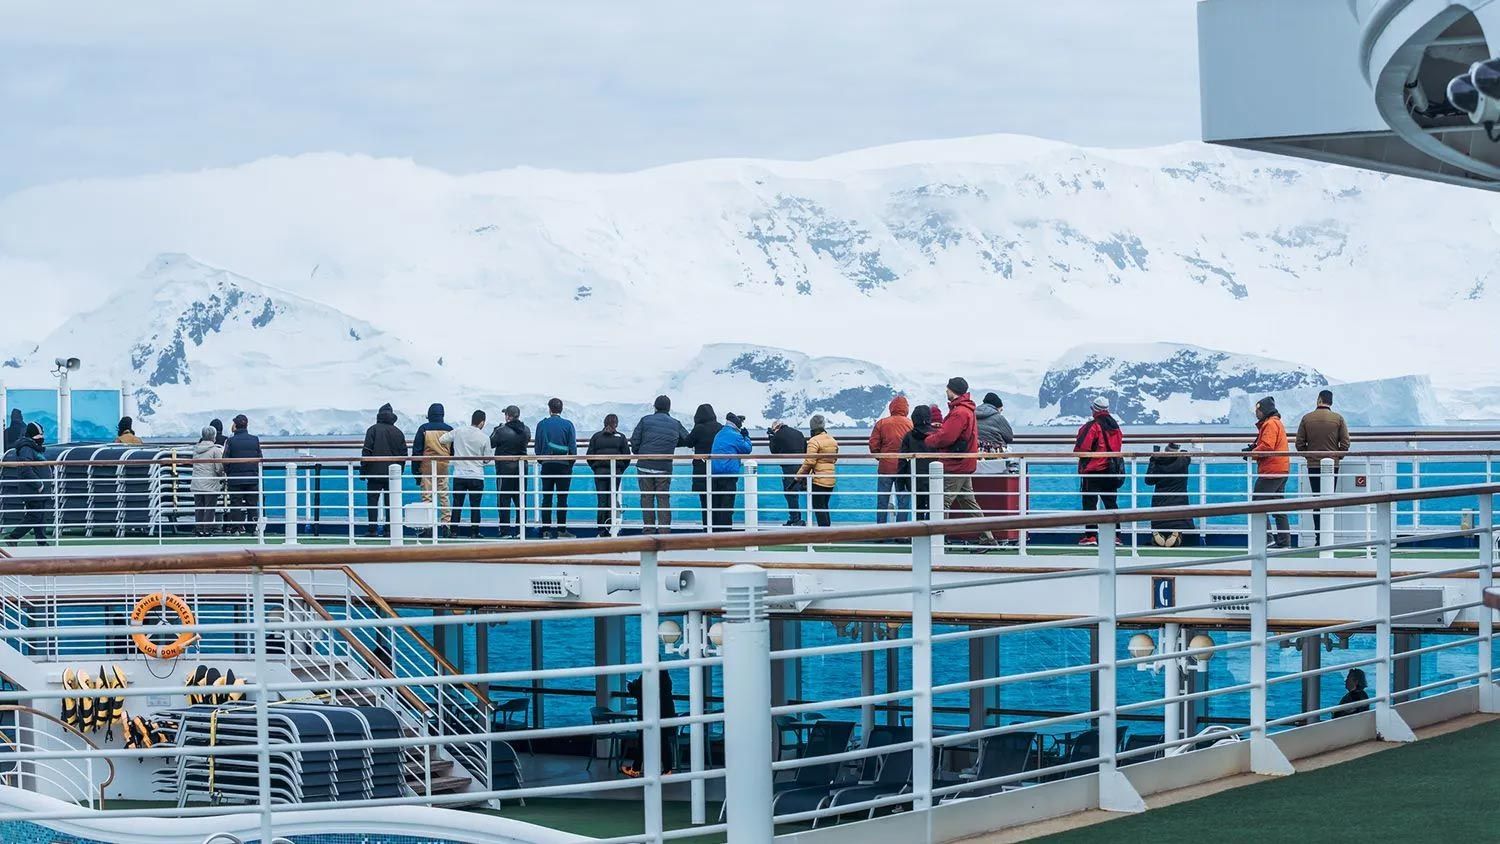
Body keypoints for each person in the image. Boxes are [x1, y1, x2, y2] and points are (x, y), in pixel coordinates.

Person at [923, 377, 1000, 549]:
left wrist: (929, 440)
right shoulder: (967, 410)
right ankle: (987, 537)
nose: (946, 391)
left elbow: (947, 436)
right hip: (964, 462)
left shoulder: (959, 412)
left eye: (948, 388)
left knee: (941, 501)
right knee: (968, 501)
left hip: (955, 463)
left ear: (953, 390)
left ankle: (937, 540)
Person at [1296, 389, 1351, 545]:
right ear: (1330, 402)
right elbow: (1345, 442)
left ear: (1319, 400)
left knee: (1317, 501)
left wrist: (1309, 455)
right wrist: (1338, 456)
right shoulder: (1338, 419)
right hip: (1332, 465)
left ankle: (1319, 538)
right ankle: (1328, 537)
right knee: (1328, 500)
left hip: (1313, 465)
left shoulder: (1307, 418)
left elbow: (1299, 444)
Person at [630, 396, 690, 535]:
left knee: (646, 499)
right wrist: (672, 443)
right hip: (664, 467)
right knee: (663, 499)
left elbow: (635, 440)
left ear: (655, 407)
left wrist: (640, 453)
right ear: (669, 408)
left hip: (645, 464)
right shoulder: (676, 423)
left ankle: (649, 531)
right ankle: (664, 532)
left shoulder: (645, 420)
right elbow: (687, 439)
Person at [1074, 397, 1124, 546]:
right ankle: (1115, 536)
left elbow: (1082, 448)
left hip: (1093, 470)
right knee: (1111, 504)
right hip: (1112, 470)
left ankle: (1091, 536)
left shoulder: (1092, 426)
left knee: (1090, 504)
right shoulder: (1115, 427)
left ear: (1093, 409)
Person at [440, 410, 493, 538]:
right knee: (475, 506)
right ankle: (474, 532)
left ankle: (453, 532)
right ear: (482, 422)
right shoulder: (484, 438)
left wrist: (455, 449)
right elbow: (487, 459)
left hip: (459, 474)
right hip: (476, 475)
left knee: (457, 504)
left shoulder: (459, 431)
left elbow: (442, 440)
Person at [1249, 396, 1291, 549]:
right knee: (1278, 506)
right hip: (1281, 469)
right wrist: (1254, 448)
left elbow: (1267, 446)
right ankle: (1284, 541)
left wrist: (1252, 453)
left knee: (1257, 504)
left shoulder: (1270, 424)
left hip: (1271, 471)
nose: (1256, 413)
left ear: (1264, 410)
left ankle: (1267, 539)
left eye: (1258, 410)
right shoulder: (1275, 423)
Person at [360, 403, 406, 537]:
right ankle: (389, 530)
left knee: (372, 501)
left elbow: (366, 452)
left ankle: (372, 530)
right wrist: (399, 472)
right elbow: (403, 455)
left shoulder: (372, 430)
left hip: (374, 472)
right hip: (392, 474)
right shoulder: (398, 432)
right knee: (390, 502)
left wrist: (363, 472)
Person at [534, 398, 577, 539]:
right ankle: (561, 530)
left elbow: (537, 448)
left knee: (546, 498)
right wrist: (568, 464)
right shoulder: (568, 425)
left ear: (549, 409)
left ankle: (546, 530)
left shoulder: (542, 424)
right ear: (561, 409)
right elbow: (573, 450)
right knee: (562, 499)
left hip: (547, 465)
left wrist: (543, 461)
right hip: (564, 466)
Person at [621, 670, 677, 778]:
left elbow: (638, 691)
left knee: (643, 740)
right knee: (664, 741)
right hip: (666, 713)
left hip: (650, 713)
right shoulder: (666, 677)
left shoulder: (647, 674)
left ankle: (635, 769)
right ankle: (668, 770)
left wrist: (631, 686)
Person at [3, 422, 51, 546]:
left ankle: (42, 542)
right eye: (40, 434)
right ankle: (13, 537)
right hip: (34, 490)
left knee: (39, 516)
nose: (42, 437)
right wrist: (38, 484)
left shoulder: (32, 447)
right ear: (33, 435)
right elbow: (26, 469)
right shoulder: (27, 448)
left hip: (39, 490)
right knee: (34, 516)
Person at [868, 397, 913, 525]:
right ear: (906, 408)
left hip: (885, 467)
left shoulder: (882, 423)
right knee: (903, 502)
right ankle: (901, 532)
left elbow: (873, 444)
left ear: (891, 408)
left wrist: (880, 457)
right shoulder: (910, 424)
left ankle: (880, 531)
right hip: (903, 468)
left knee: (882, 501)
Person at [411, 404, 454, 532]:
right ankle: (446, 525)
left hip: (426, 467)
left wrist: (415, 472)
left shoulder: (423, 429)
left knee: (427, 497)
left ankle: (428, 527)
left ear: (429, 415)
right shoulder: (449, 429)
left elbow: (416, 452)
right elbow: (452, 451)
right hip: (443, 466)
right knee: (444, 496)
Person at [586, 414, 631, 535]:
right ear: (616, 424)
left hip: (600, 472)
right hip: (615, 473)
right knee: (612, 499)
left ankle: (601, 529)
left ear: (604, 423)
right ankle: (610, 527)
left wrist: (595, 467)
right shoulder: (621, 437)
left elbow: (589, 456)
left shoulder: (596, 437)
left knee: (602, 501)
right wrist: (620, 469)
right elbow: (627, 457)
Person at [490, 406, 530, 538]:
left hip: (504, 469)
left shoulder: (501, 430)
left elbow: (491, 442)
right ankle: (520, 530)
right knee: (520, 500)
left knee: (504, 500)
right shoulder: (526, 430)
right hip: (521, 469)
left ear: (508, 416)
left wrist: (496, 428)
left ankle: (505, 531)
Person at [709, 413, 753, 531]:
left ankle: (715, 530)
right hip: (729, 474)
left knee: (717, 504)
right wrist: (746, 437)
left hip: (714, 473)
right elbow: (747, 449)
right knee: (727, 504)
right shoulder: (735, 435)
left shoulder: (719, 434)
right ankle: (726, 532)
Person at [1145, 443, 1195, 546]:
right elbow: (1187, 455)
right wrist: (1183, 452)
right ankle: (1176, 534)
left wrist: (1153, 459)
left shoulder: (1158, 462)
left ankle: (1157, 534)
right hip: (1179, 502)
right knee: (1178, 520)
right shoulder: (1183, 460)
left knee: (1159, 520)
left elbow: (1149, 480)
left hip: (1159, 503)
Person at [220, 414, 263, 536]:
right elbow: (260, 457)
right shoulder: (255, 439)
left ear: (235, 425)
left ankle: (236, 528)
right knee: (252, 504)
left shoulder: (231, 440)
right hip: (252, 478)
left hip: (235, 478)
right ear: (247, 425)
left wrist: (229, 473)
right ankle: (252, 529)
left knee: (236, 504)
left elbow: (225, 459)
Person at [685, 404, 723, 530]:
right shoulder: (720, 428)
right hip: (718, 469)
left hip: (702, 470)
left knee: (705, 502)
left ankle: (707, 528)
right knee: (719, 501)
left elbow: (688, 442)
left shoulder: (699, 429)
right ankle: (719, 529)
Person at [797, 415, 839, 528]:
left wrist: (798, 476)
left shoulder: (813, 441)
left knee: (819, 506)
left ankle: (823, 534)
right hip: (830, 478)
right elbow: (834, 459)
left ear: (812, 428)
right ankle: (827, 532)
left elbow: (810, 461)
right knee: (824, 505)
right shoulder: (832, 440)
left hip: (818, 479)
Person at [898, 405, 939, 520]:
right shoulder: (936, 435)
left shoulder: (909, 436)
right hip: (934, 478)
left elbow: (902, 460)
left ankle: (919, 533)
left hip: (915, 479)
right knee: (934, 507)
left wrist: (900, 482)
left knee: (918, 507)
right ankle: (933, 533)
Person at [768, 421, 808, 526]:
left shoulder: (778, 435)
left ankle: (795, 519)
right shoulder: (798, 433)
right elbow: (805, 449)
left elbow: (773, 451)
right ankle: (797, 518)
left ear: (776, 428)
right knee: (798, 492)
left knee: (790, 493)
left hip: (789, 467)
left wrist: (771, 437)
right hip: (802, 466)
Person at [190, 426, 226, 537]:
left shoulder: (196, 449)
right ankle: (207, 530)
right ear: (213, 436)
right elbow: (219, 468)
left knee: (199, 508)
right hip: (210, 483)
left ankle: (199, 529)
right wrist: (222, 475)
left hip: (197, 481)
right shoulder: (215, 450)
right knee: (210, 508)